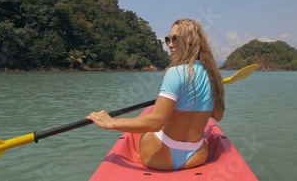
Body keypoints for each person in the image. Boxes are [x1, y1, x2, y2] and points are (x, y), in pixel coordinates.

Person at [87, 18, 225, 171]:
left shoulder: (175, 73)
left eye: (175, 39)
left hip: (162, 158)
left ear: (191, 41)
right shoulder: (214, 76)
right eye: (168, 39)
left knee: (146, 131)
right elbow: (217, 115)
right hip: (197, 155)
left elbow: (156, 122)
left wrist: (112, 123)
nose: (170, 44)